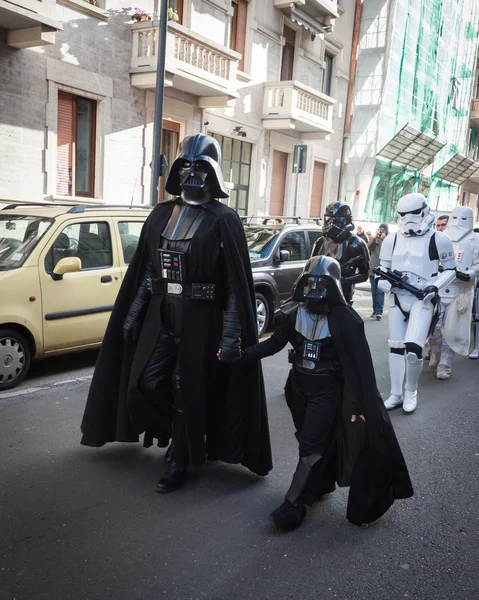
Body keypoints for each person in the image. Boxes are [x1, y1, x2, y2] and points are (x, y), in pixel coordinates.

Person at [80, 134, 272, 491]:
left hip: (202, 319)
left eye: (201, 167)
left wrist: (231, 337)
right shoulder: (160, 215)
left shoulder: (223, 220)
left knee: (188, 387)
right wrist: (133, 313)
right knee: (147, 381)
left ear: (213, 173)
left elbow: (233, 286)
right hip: (161, 312)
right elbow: (148, 271)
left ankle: (180, 456)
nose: (192, 174)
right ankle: (171, 432)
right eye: (186, 165)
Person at [236, 256, 413, 531]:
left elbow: (360, 370)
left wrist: (358, 409)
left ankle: (293, 506)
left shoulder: (346, 321)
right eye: (311, 282)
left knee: (310, 447)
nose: (316, 289)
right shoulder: (292, 313)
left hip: (327, 392)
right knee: (307, 441)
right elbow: (273, 344)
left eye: (323, 283)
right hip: (297, 388)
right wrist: (241, 354)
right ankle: (319, 484)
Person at [376, 193, 456, 414]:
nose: (408, 219)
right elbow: (383, 268)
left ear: (423, 211)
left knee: (413, 347)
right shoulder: (391, 239)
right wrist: (383, 281)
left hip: (423, 299)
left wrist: (434, 286)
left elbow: (450, 269)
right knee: (395, 346)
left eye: (413, 214)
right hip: (398, 298)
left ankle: (411, 391)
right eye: (403, 215)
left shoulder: (438, 239)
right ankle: (395, 393)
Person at [428, 206, 479, 377]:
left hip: (461, 291)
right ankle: (435, 353)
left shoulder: (476, 239)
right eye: (455, 218)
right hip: (440, 289)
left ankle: (445, 364)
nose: (458, 222)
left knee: (452, 331)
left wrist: (470, 273)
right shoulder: (442, 237)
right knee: (434, 327)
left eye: (463, 218)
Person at [311, 202, 370, 305]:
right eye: (328, 218)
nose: (331, 222)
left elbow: (364, 274)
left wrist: (343, 280)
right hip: (318, 294)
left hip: (343, 296)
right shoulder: (321, 241)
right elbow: (311, 265)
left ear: (345, 219)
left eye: (336, 219)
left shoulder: (356, 243)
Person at [368, 224, 389, 320]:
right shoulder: (374, 240)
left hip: (382, 270)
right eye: (380, 230)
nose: (381, 232)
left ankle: (379, 312)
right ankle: (375, 310)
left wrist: (384, 240)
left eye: (383, 230)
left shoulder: (388, 241)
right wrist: (375, 237)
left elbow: (387, 252)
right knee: (373, 292)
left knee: (380, 292)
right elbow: (368, 247)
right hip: (373, 269)